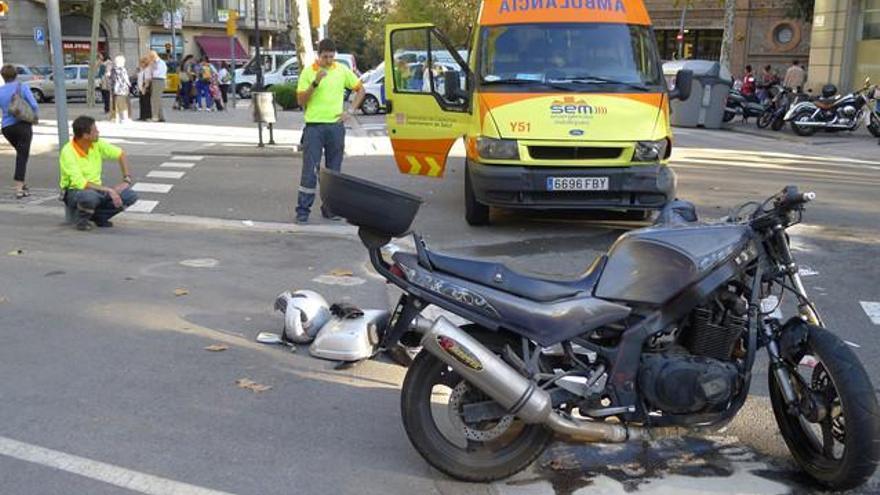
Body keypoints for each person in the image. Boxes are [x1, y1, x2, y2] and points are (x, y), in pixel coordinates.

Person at [294, 38, 366, 224]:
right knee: (310, 170)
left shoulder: (341, 70)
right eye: (325, 57)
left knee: (334, 171)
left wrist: (350, 111)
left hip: (335, 127)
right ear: (318, 55)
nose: (328, 61)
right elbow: (301, 101)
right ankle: (303, 210)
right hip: (314, 127)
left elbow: (360, 89)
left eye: (331, 57)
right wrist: (315, 83)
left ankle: (330, 209)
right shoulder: (309, 72)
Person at [59, 116, 138, 231]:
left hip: (97, 190)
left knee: (130, 195)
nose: (98, 133)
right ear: (86, 135)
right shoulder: (68, 152)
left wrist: (126, 179)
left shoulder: (96, 143)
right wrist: (109, 190)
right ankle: (82, 221)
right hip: (74, 191)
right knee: (89, 196)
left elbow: (120, 154)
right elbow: (81, 183)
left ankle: (99, 217)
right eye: (95, 130)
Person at [0, 64, 40, 199]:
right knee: (22, 156)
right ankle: (19, 188)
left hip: (7, 128)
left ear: (3, 77)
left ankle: (23, 186)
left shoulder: (0, 90)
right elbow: (34, 104)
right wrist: (34, 116)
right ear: (16, 75)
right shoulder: (22, 87)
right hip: (22, 125)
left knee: (21, 154)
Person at [109, 55, 131, 123]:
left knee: (115, 104)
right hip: (121, 89)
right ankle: (124, 118)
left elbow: (112, 79)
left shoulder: (113, 69)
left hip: (115, 89)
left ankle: (115, 118)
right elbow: (124, 79)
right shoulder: (122, 69)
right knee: (123, 104)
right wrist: (129, 84)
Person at [149, 50, 167, 122]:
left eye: (150, 56)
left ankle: (155, 116)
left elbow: (156, 72)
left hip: (158, 80)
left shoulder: (160, 63)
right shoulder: (157, 62)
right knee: (158, 99)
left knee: (155, 99)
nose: (150, 58)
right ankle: (161, 116)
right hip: (157, 80)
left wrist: (152, 67)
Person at [137, 56, 152, 121]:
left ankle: (147, 116)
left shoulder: (147, 70)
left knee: (146, 102)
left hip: (144, 88)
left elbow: (147, 80)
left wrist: (144, 88)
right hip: (141, 87)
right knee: (142, 102)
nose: (140, 64)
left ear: (145, 63)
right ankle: (142, 116)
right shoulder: (142, 69)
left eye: (141, 62)